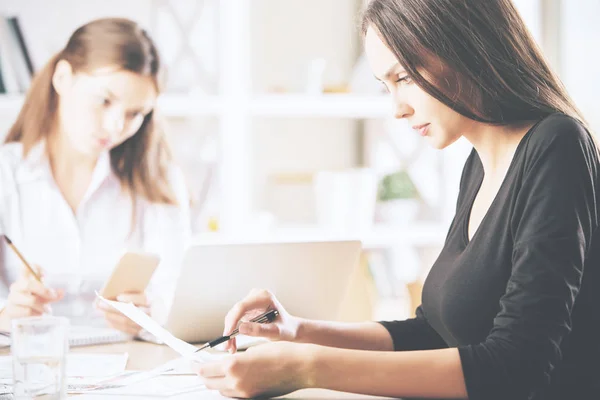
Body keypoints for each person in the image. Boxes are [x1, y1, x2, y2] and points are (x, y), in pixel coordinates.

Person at [193, 1, 600, 399]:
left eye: (403, 77)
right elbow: (435, 334)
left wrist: (305, 367)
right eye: (385, 86)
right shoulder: (478, 167)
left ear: (464, 45)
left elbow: (514, 367)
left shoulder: (557, 145)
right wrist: (297, 330)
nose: (397, 110)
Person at [0, 18, 190, 335]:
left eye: (135, 114)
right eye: (104, 101)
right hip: (29, 362)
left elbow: (178, 294)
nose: (117, 126)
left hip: (130, 364)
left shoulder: (157, 179)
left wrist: (151, 314)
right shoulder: (6, 172)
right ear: (62, 78)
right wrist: (6, 312)